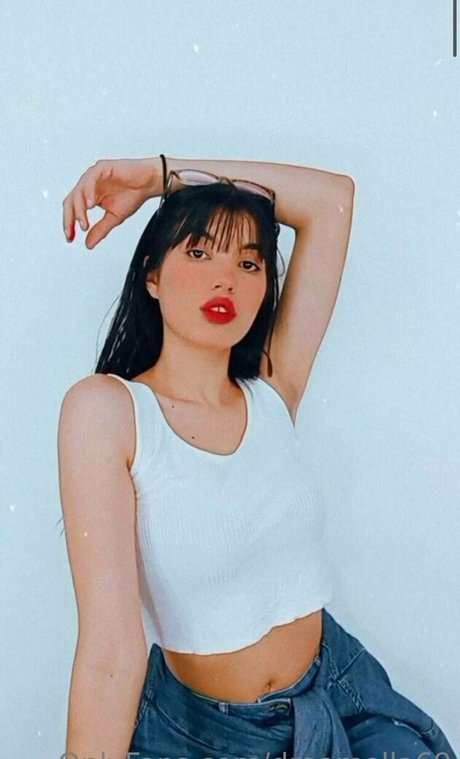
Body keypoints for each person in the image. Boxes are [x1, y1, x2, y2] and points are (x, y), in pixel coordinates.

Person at [58, 155, 457, 759]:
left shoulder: (272, 389)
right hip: (206, 735)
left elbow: (332, 200)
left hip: (341, 694)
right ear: (151, 276)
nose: (226, 280)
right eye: (198, 252)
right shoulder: (109, 412)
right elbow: (111, 650)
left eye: (249, 262)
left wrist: (159, 175)